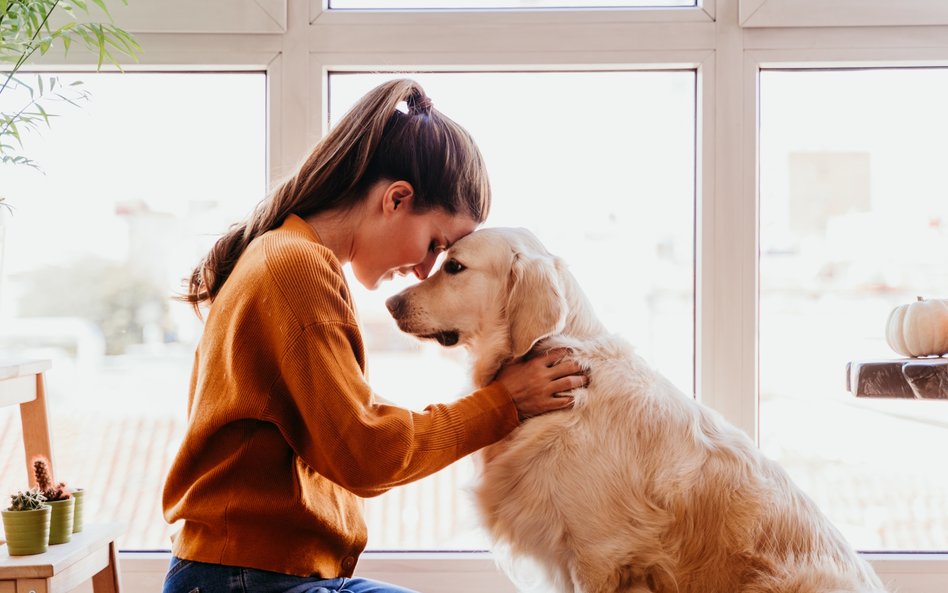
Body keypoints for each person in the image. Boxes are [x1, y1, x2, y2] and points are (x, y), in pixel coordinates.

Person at [161, 78, 586, 593]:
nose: (424, 269)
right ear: (396, 199)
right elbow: (365, 452)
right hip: (242, 580)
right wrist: (505, 402)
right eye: (435, 244)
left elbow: (345, 432)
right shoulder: (294, 269)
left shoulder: (287, 255)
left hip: (244, 574)